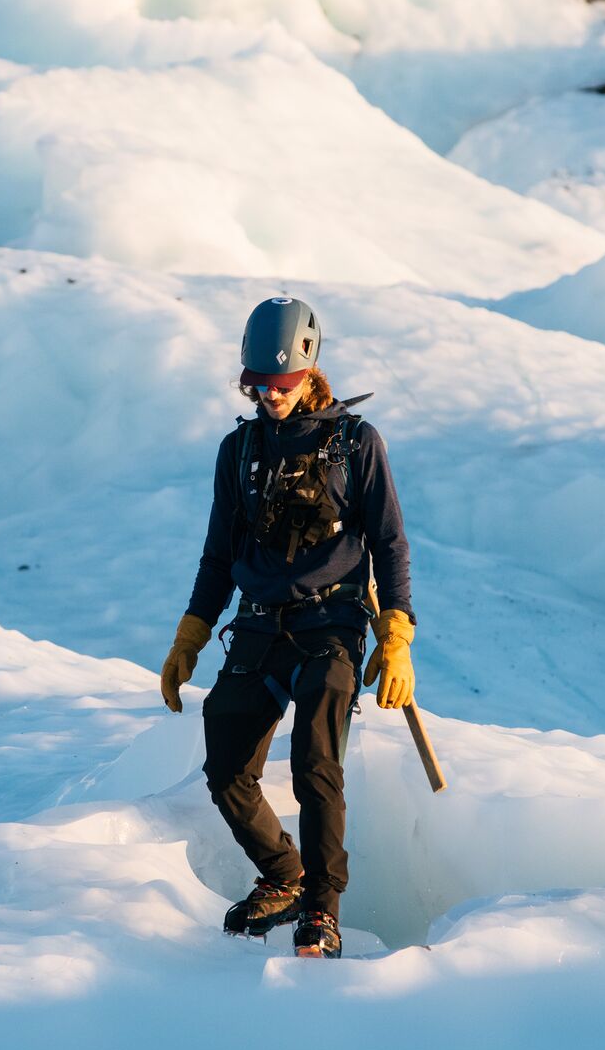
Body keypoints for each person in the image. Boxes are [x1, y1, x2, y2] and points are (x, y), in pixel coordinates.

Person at [160, 297, 417, 959]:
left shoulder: (357, 444)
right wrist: (192, 633)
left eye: (278, 384)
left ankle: (322, 914)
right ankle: (285, 878)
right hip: (258, 624)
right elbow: (220, 554)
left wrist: (395, 634)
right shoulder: (238, 450)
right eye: (255, 384)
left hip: (333, 621)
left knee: (315, 765)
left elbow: (388, 544)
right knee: (226, 768)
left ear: (308, 370)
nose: (267, 396)